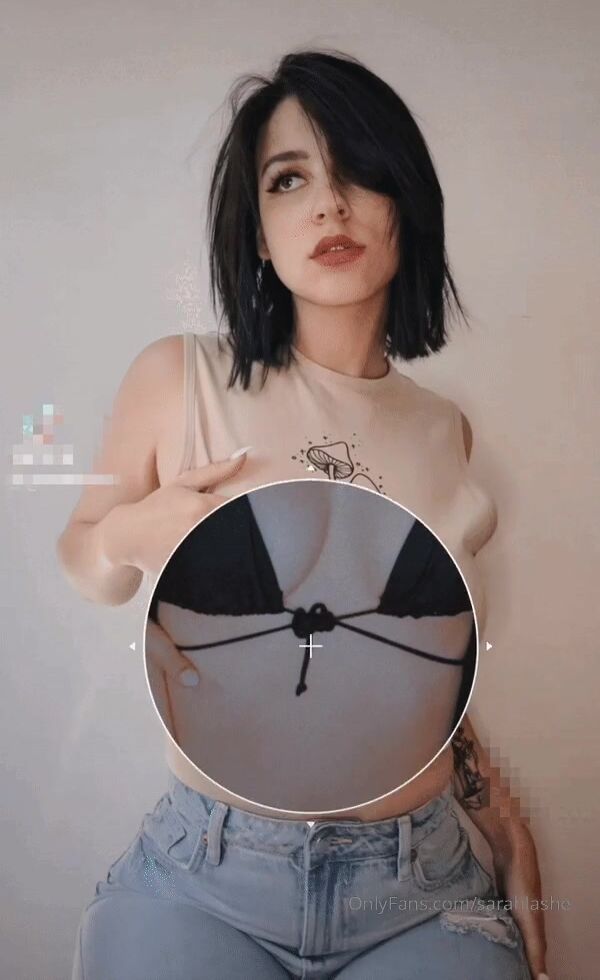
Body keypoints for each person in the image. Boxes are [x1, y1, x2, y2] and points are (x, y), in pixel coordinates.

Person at [57, 48, 548, 980]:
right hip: (208, 877)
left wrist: (506, 823)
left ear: (406, 202)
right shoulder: (181, 378)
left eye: (357, 172)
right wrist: (129, 530)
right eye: (291, 179)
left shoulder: (444, 430)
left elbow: (426, 671)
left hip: (420, 883)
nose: (329, 205)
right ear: (258, 232)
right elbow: (84, 559)